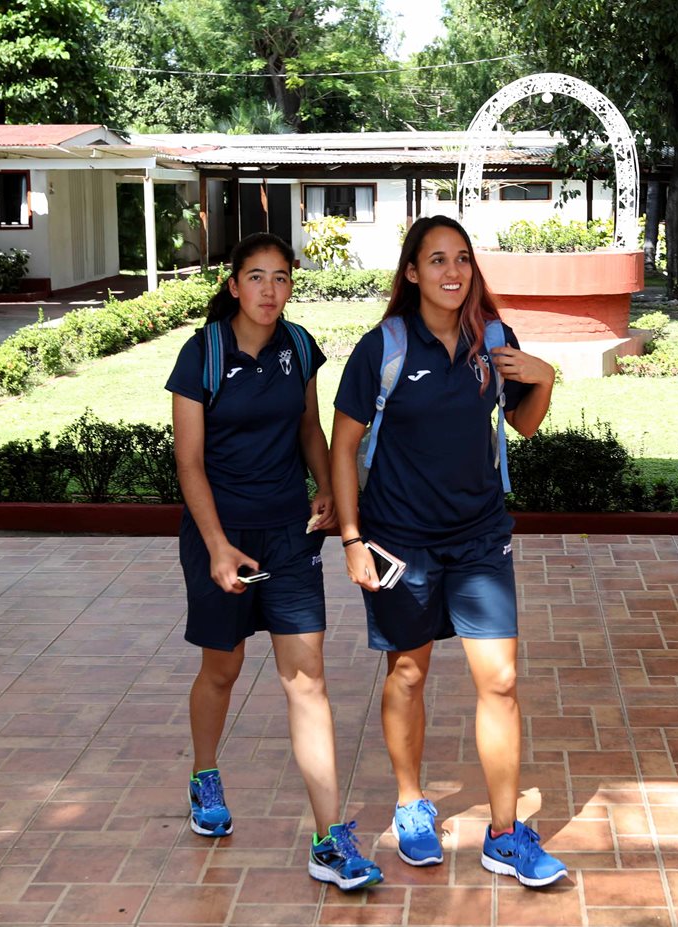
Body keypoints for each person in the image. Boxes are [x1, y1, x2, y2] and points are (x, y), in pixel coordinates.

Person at [329, 216, 566, 887]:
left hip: (479, 537)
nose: (452, 272)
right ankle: (411, 804)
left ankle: (504, 834)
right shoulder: (382, 348)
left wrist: (546, 378)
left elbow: (523, 423)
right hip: (398, 542)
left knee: (502, 680)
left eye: (461, 258)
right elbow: (343, 447)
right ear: (412, 272)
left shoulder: (493, 339)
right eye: (436, 260)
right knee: (408, 673)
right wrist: (352, 539)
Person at [166, 232, 382, 891]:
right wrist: (216, 544)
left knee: (307, 680)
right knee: (223, 668)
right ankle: (205, 774)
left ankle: (329, 838)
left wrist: (326, 486)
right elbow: (188, 461)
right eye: (256, 277)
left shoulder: (298, 346)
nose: (269, 289)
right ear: (233, 285)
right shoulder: (202, 353)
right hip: (224, 535)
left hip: (289, 536)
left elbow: (309, 428)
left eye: (281, 277)